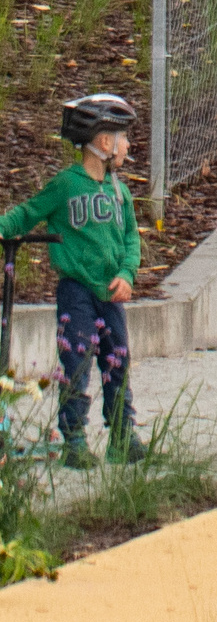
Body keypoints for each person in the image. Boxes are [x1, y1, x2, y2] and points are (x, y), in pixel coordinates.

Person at [2, 94, 142, 468]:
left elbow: (131, 238)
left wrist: (127, 273)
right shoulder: (66, 184)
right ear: (104, 142)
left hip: (110, 293)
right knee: (76, 363)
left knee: (117, 363)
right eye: (123, 137)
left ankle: (122, 436)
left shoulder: (119, 191)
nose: (128, 145)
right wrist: (4, 229)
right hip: (76, 290)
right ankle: (75, 440)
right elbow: (28, 212)